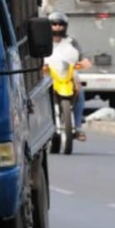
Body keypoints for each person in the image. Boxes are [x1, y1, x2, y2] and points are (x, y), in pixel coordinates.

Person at [45, 12, 90, 141]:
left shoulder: (72, 42)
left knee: (80, 92)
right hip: (48, 75)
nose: (57, 27)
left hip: (67, 75)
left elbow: (82, 58)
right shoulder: (44, 41)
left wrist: (83, 64)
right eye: (54, 24)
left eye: (61, 24)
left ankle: (78, 126)